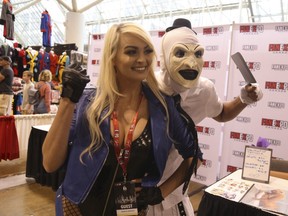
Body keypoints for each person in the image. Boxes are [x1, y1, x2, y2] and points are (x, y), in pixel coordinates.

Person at [42, 22, 201, 216]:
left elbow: (194, 156)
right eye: (132, 52)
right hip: (76, 208)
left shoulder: (163, 106)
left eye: (148, 51)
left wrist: (161, 192)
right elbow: (50, 163)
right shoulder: (87, 102)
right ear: (113, 57)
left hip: (132, 211)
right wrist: (67, 101)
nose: (142, 59)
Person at [151, 18, 264, 215]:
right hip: (140, 182)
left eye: (198, 54)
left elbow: (221, 113)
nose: (191, 62)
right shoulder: (147, 86)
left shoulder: (203, 90)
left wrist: (243, 98)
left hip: (174, 188)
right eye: (180, 53)